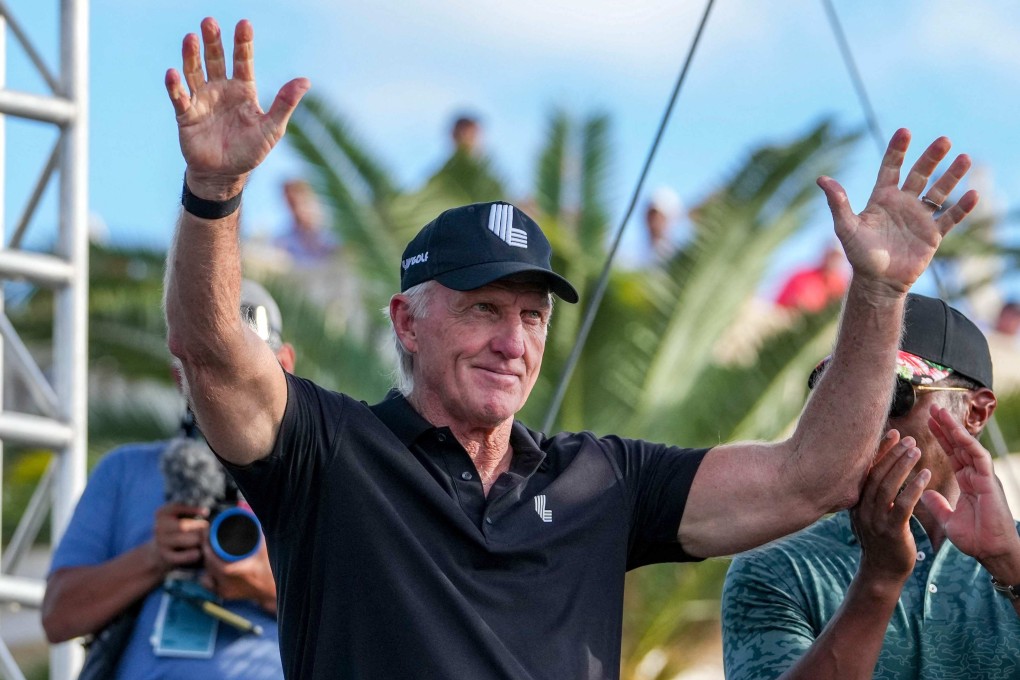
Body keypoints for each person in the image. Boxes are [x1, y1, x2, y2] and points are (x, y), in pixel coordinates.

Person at [161, 17, 979, 679]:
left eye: (532, 316)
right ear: (407, 323)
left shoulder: (603, 480)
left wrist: (878, 293)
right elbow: (212, 352)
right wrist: (215, 195)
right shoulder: (330, 451)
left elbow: (812, 477)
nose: (512, 341)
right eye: (483, 308)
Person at [721, 293, 1020, 679]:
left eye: (893, 394)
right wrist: (878, 579)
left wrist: (1009, 565)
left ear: (975, 412)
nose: (861, 421)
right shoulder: (776, 565)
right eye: (844, 397)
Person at [41, 280, 291, 679]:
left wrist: (264, 586)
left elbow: (371, 620)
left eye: (247, 364)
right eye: (206, 365)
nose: (227, 385)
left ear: (285, 365)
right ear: (179, 378)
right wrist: (155, 557)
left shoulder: (318, 477)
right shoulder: (124, 471)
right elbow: (57, 617)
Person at [272, 178, 338, 263]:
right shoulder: (283, 242)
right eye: (292, 204)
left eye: (303, 202)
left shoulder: (336, 234)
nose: (299, 209)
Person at [774, 242, 849, 312]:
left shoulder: (840, 286)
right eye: (831, 255)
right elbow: (781, 305)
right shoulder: (801, 276)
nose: (832, 260)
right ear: (825, 253)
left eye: (837, 257)